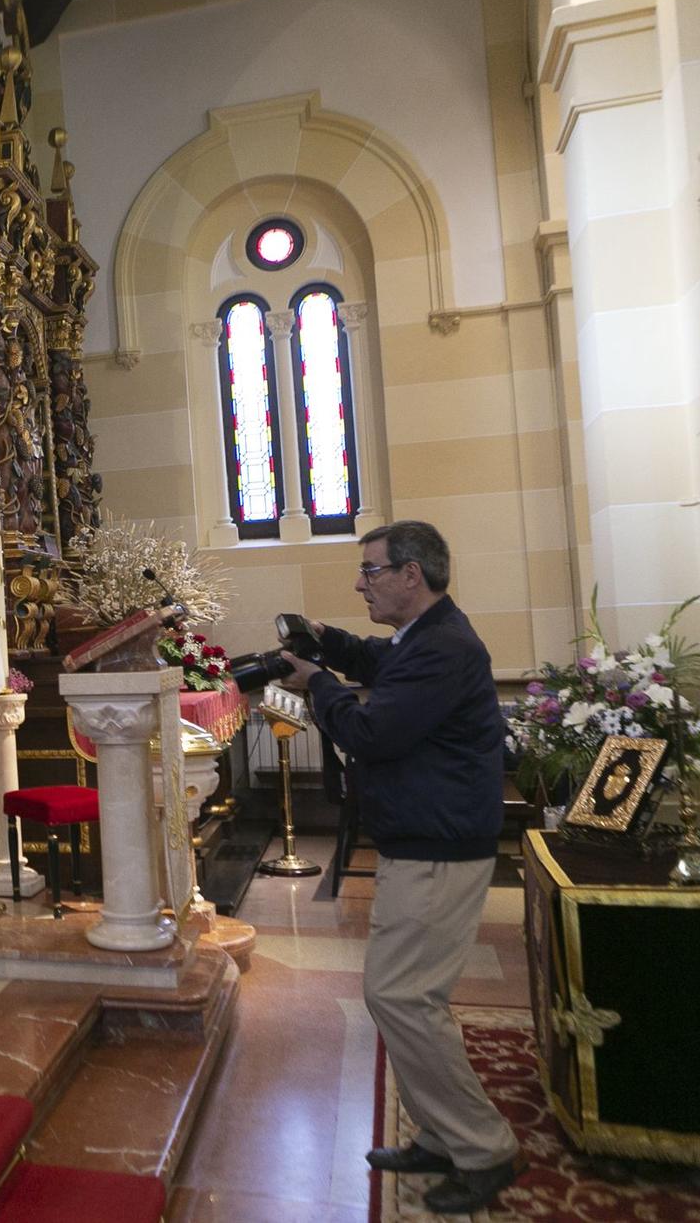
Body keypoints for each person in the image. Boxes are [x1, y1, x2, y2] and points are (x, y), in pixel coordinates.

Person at [279, 520, 519, 1216]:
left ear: (411, 574)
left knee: (402, 996)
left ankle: (484, 1145)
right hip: (425, 838)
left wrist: (318, 682)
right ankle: (442, 1133)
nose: (362, 582)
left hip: (439, 846)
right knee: (401, 994)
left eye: (371, 569)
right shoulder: (428, 637)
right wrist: (331, 641)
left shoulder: (443, 647)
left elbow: (372, 733)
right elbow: (383, 662)